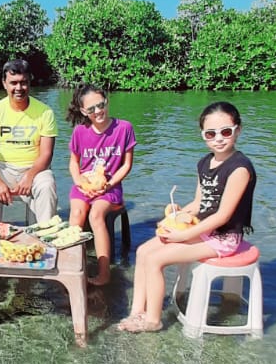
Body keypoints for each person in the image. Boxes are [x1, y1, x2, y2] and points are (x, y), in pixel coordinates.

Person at [118, 100, 256, 333]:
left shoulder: (239, 168)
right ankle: (137, 312)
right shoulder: (204, 163)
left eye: (225, 132)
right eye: (211, 134)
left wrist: (183, 236)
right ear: (203, 135)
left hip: (222, 238)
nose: (218, 139)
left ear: (238, 130)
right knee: (143, 252)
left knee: (155, 260)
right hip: (203, 230)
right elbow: (199, 203)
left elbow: (222, 216)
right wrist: (178, 214)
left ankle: (153, 320)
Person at [0, 58, 58, 224]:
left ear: (30, 82)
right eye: (13, 83)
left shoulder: (45, 112)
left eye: (23, 83)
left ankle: (44, 234)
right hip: (3, 168)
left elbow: (46, 154)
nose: (19, 88)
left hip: (35, 168)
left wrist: (30, 175)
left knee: (47, 186)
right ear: (4, 83)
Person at [67, 85, 136, 285]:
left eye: (101, 105)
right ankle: (72, 266)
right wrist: (78, 180)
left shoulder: (124, 128)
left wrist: (110, 183)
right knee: (77, 215)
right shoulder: (80, 132)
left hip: (110, 188)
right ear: (83, 112)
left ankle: (104, 273)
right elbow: (73, 162)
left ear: (106, 101)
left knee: (96, 215)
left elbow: (127, 164)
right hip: (84, 184)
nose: (98, 111)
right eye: (91, 109)